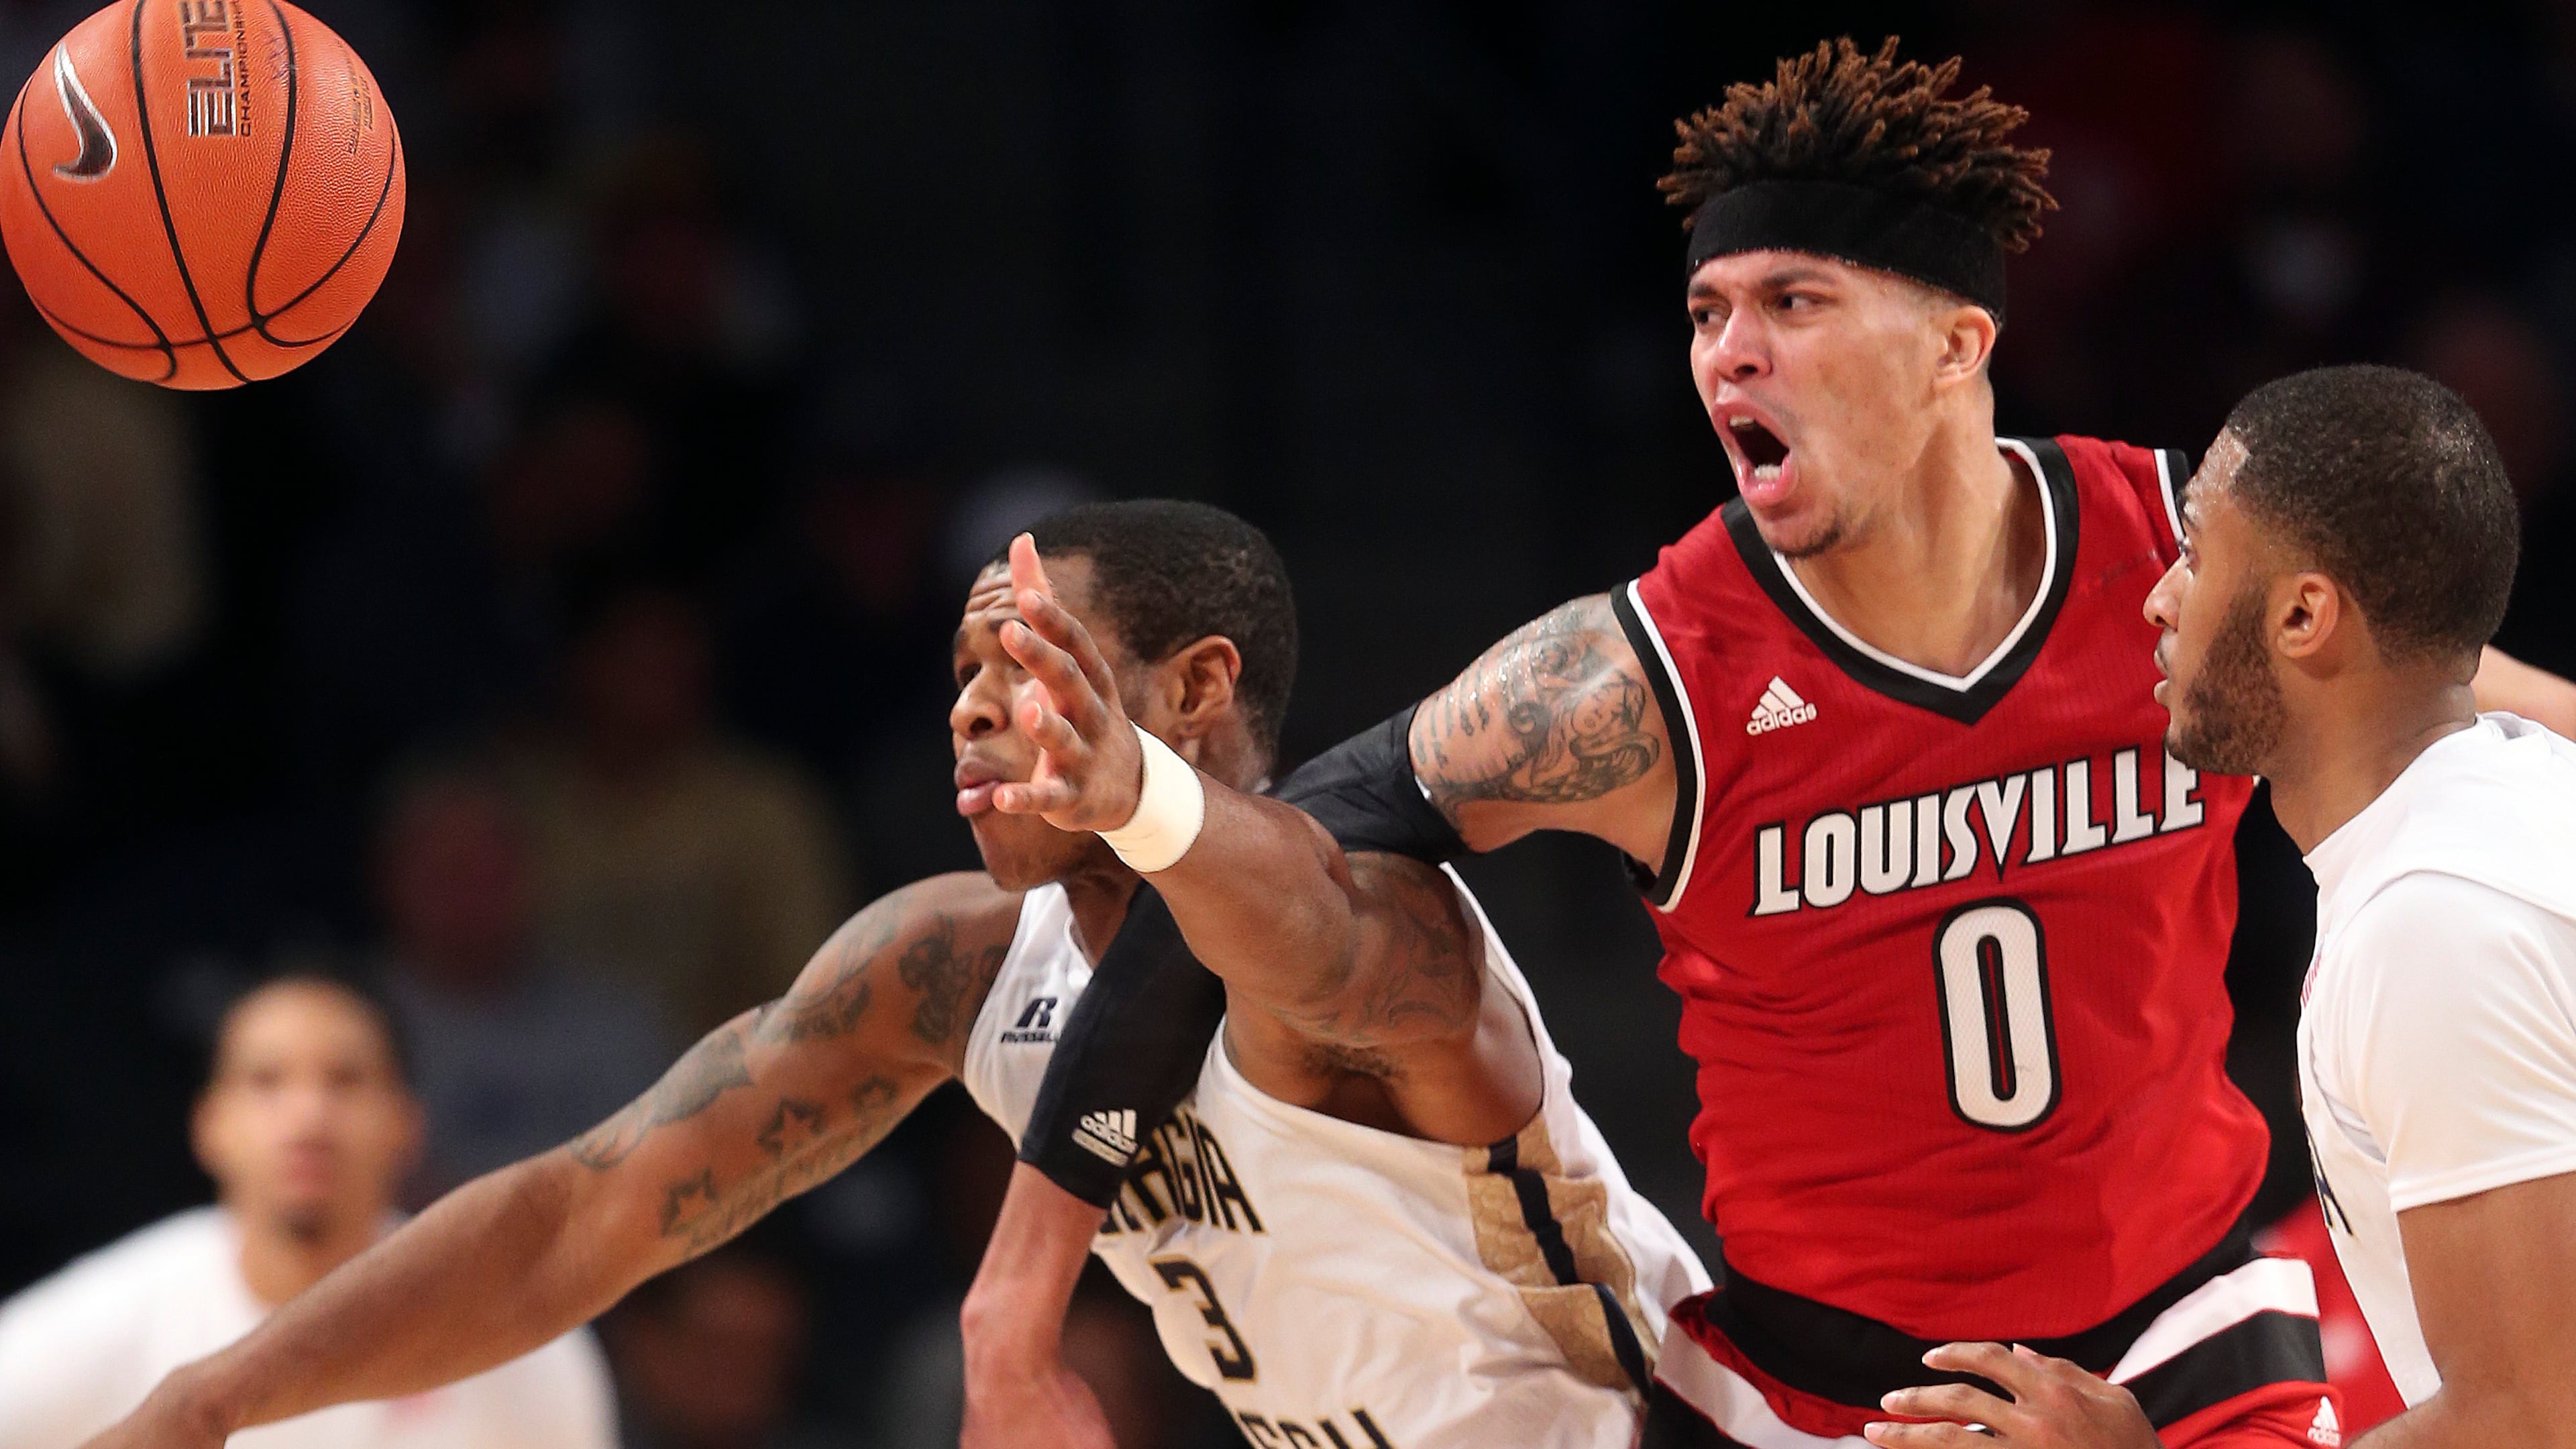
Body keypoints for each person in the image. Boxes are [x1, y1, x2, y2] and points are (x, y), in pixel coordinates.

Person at [963, 40, 2576, 1449]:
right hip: (1816, 1400)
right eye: (1705, 311)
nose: (1729, 351)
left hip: (2184, 1346)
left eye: (1793, 303)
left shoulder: (2177, 562)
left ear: (1954, 344)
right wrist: (1012, 1318)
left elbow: (2459, 697)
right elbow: (1268, 871)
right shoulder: (1634, 676)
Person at [72, 500, 1707, 1449]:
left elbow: (1264, 932)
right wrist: (208, 1403)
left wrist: (1136, 801)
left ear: (1193, 687)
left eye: (1024, 661)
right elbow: (591, 1207)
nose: (972, 709)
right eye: (958, 675)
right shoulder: (953, 966)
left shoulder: (1364, 917)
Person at [1869, 370, 2576, 1446]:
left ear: (2303, 615)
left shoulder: (2432, 927)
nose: (2157, 597)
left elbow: (2534, 1419)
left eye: (2194, 556)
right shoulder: (2516, 785)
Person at [0, 977, 614, 1449]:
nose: (308, 1118)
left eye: (345, 1081)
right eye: (267, 1082)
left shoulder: (521, 1343)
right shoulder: (113, 1313)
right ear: (209, 1124)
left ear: (407, 1124)